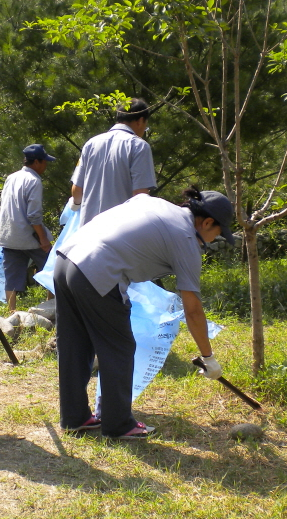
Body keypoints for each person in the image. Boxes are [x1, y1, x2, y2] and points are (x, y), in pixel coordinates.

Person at [53, 187, 235, 439]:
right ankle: (118, 424)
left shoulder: (155, 203)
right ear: (206, 222)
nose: (215, 239)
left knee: (75, 342)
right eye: (218, 233)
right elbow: (192, 309)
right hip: (97, 268)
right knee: (119, 347)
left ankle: (75, 418)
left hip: (65, 259)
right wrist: (208, 357)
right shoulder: (186, 238)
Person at [70, 98, 157, 225]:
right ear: (140, 121)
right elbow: (140, 195)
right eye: (146, 126)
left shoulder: (91, 144)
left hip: (88, 230)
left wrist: (75, 206)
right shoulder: (138, 146)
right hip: (119, 231)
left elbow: (77, 189)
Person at [0, 144, 55, 313]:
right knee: (51, 267)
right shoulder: (34, 180)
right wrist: (43, 239)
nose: (45, 165)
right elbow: (34, 215)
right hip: (29, 235)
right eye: (44, 161)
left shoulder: (11, 177)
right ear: (36, 162)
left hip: (9, 235)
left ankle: (11, 314)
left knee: (11, 277)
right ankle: (50, 306)